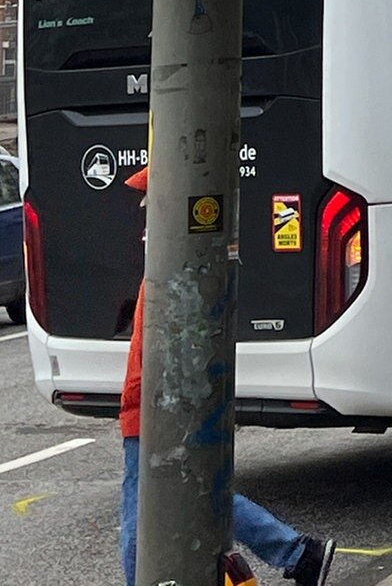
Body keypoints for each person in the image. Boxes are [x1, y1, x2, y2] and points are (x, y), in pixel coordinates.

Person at [118, 166, 336, 586]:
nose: (143, 216)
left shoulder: (165, 272)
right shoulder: (171, 267)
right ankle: (297, 552)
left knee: (143, 518)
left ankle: (296, 551)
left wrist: (144, 409)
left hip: (150, 413)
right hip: (152, 409)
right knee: (198, 494)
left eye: (149, 205)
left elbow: (158, 355)